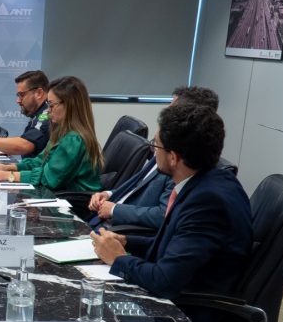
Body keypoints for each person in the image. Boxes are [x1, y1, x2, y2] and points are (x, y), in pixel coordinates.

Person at [91, 103, 253, 322]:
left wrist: (118, 258)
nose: (153, 152)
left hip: (187, 316)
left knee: (91, 317)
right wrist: (127, 240)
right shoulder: (207, 182)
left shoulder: (208, 202)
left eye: (156, 146)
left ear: (174, 157)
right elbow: (176, 243)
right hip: (179, 294)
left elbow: (164, 281)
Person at [87, 85, 220, 230]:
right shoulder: (165, 150)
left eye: (171, 109)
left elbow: (164, 215)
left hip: (118, 229)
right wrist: (108, 194)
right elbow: (137, 186)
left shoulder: (181, 165)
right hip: (104, 220)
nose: (165, 113)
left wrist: (114, 210)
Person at [0, 76, 102, 192]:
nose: (48, 110)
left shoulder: (73, 139)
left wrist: (6, 175)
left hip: (75, 204)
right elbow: (39, 162)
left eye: (51, 105)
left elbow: (48, 179)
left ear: (69, 105)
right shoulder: (61, 133)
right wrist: (6, 167)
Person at [0, 70, 50, 156]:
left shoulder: (47, 113)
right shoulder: (38, 113)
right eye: (18, 96)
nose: (18, 101)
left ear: (39, 93)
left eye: (22, 95)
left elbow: (24, 145)